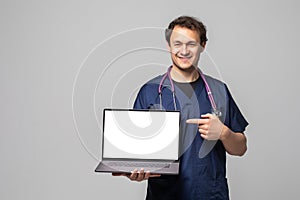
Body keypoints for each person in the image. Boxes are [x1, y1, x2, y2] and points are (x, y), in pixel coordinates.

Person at [113, 16, 248, 200]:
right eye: (177, 43)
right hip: (165, 195)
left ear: (203, 46)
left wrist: (224, 133)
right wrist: (134, 173)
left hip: (209, 194)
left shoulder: (219, 90)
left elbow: (240, 148)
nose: (184, 51)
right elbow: (137, 155)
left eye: (191, 44)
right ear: (169, 45)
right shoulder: (150, 91)